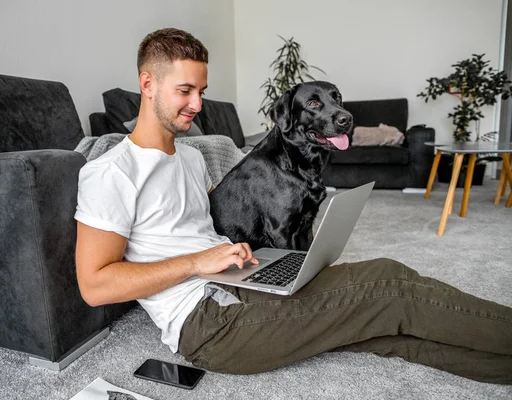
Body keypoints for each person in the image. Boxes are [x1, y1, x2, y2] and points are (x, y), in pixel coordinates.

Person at [74, 28, 512, 384]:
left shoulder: (188, 155)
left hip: (244, 281)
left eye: (202, 91)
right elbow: (95, 285)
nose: (198, 105)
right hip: (209, 325)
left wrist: (254, 257)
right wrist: (196, 262)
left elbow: (198, 221)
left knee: (386, 328)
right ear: (147, 84)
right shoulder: (112, 172)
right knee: (390, 283)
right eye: (185, 91)